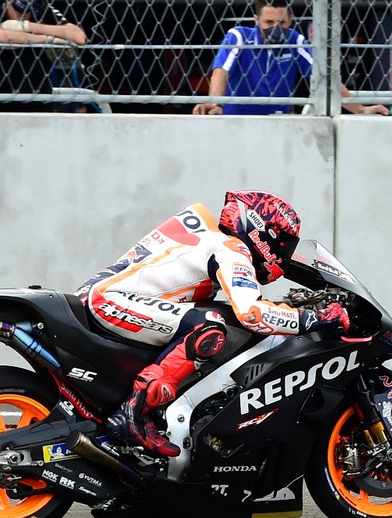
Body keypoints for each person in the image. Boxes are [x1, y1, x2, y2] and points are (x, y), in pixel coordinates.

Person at [80, 191, 352, 457]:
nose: (282, 256)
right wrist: (315, 318)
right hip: (112, 300)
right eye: (282, 244)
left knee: (213, 318)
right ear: (261, 231)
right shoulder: (230, 247)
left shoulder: (209, 240)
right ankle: (134, 412)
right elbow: (252, 314)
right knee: (210, 326)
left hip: (110, 297)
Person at [191, 0, 387, 115]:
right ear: (256, 20)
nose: (275, 28)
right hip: (237, 121)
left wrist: (361, 109)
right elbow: (221, 71)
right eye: (268, 22)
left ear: (290, 20)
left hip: (279, 125)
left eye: (281, 23)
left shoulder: (295, 40)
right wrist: (215, 104)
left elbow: (324, 77)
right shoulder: (239, 36)